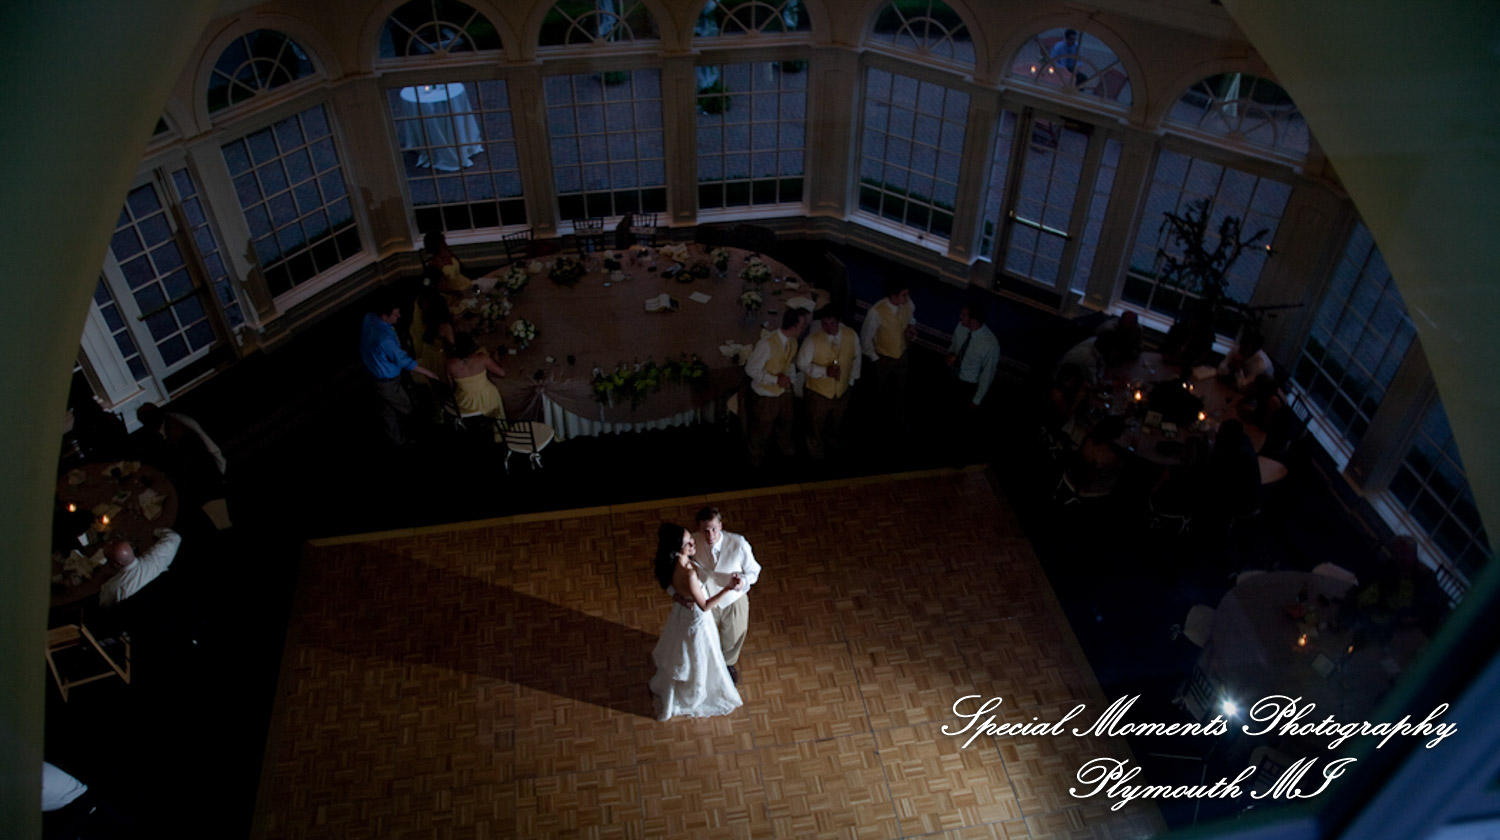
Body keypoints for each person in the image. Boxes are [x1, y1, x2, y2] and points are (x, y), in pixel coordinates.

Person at [648, 523, 743, 721]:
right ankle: (697, 689)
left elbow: (667, 584)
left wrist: (678, 598)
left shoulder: (670, 563)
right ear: (677, 548)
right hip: (698, 619)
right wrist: (728, 588)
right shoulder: (689, 574)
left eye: (691, 539)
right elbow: (705, 605)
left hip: (681, 613)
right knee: (700, 652)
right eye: (687, 543)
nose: (693, 543)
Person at [361, 290, 441, 446]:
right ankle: (419, 437)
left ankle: (396, 439)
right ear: (384, 316)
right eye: (395, 314)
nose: (399, 316)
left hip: (373, 372)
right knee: (406, 408)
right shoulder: (385, 339)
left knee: (387, 410)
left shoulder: (369, 317)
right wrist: (428, 373)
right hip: (388, 381)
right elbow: (404, 362)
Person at [692, 507, 761, 684]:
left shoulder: (738, 543)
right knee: (705, 634)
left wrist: (742, 582)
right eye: (705, 530)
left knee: (735, 634)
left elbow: (754, 571)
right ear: (699, 529)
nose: (710, 535)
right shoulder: (693, 541)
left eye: (714, 529)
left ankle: (728, 664)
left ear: (720, 526)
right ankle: (709, 663)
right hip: (707, 598)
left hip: (733, 598)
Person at [797, 306, 861, 460]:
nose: (828, 327)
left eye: (832, 323)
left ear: (838, 322)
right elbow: (802, 364)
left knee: (835, 420)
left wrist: (851, 381)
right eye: (825, 324)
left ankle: (830, 441)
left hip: (842, 390)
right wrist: (824, 371)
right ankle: (815, 449)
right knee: (815, 423)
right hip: (818, 393)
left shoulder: (851, 335)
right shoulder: (812, 340)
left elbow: (856, 358)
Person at [744, 308, 805, 467]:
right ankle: (755, 457)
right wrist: (775, 380)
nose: (803, 329)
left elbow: (789, 363)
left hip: (784, 391)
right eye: (801, 326)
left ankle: (784, 445)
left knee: (786, 421)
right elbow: (751, 369)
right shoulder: (766, 344)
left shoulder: (792, 342)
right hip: (766, 395)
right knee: (762, 427)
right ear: (793, 327)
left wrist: (790, 380)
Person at [859, 277, 918, 428]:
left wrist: (911, 329)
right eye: (904, 295)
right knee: (878, 389)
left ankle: (896, 417)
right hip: (883, 358)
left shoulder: (907, 304)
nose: (907, 298)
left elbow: (911, 319)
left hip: (902, 356)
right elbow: (866, 339)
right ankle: (875, 419)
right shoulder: (876, 312)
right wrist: (876, 358)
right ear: (893, 295)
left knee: (900, 388)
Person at [99, 527, 181, 607]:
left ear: (116, 564)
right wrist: (156, 531)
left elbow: (103, 604)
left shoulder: (113, 588)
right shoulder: (155, 559)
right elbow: (174, 537)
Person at [947, 304, 1000, 410]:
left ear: (973, 320)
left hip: (968, 386)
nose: (960, 317)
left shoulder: (990, 345)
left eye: (964, 315)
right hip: (952, 375)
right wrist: (950, 354)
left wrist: (976, 401)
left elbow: (987, 375)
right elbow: (954, 344)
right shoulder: (961, 327)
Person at [444, 332, 507, 421]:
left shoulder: (449, 364)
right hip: (487, 399)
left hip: (464, 403)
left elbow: (450, 385)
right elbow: (502, 373)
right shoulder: (482, 358)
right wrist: (496, 358)